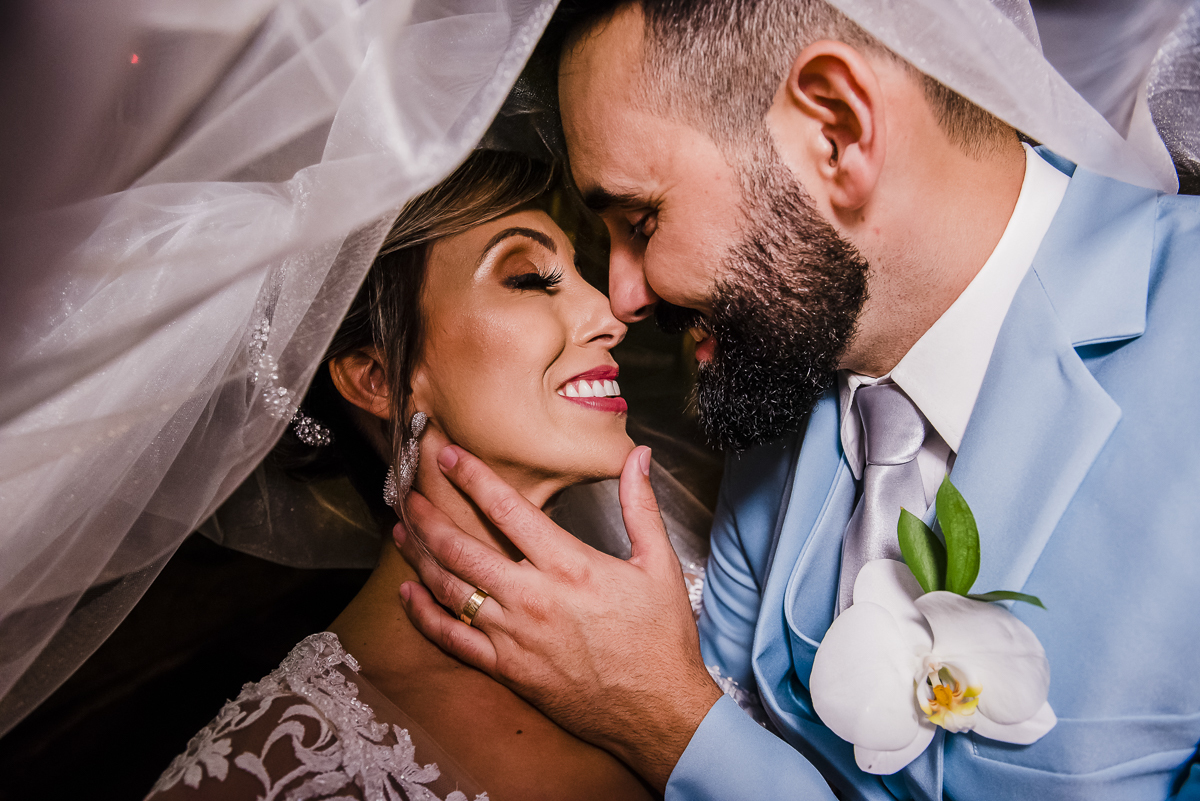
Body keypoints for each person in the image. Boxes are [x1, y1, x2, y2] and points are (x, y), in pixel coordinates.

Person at [393, 2, 1200, 800]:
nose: (624, 296)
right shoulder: (779, 387)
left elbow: (696, 721)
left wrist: (666, 720)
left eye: (642, 219)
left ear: (836, 131)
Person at [145, 149, 670, 801]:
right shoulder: (281, 766)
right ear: (378, 378)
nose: (610, 317)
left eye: (580, 273)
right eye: (530, 278)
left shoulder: (673, 603)